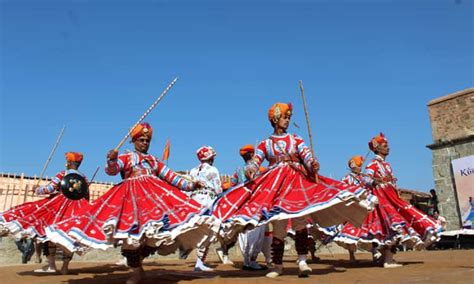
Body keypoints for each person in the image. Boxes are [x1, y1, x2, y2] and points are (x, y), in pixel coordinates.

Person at [211, 103, 373, 278]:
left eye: (289, 117)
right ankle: (277, 265)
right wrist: (251, 168)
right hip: (277, 184)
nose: (287, 121)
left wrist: (312, 164)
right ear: (274, 119)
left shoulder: (296, 139)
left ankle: (302, 261)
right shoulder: (266, 144)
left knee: (300, 221)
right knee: (279, 223)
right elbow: (255, 161)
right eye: (284, 117)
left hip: (297, 182)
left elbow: (306, 155)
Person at [46, 123, 218, 284]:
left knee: (153, 237)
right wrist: (112, 160)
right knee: (132, 237)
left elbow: (171, 177)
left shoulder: (153, 160)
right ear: (134, 140)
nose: (144, 143)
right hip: (130, 200)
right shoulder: (127, 156)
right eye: (141, 140)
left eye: (147, 141)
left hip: (153, 199)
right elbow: (112, 170)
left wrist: (191, 185)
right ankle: (136, 272)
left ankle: (138, 267)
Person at [335, 133, 441, 268]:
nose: (388, 148)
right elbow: (367, 179)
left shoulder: (386, 165)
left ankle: (386, 258)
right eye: (385, 146)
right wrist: (374, 181)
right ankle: (386, 259)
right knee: (389, 225)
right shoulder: (373, 164)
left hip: (390, 196)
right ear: (378, 148)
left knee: (390, 227)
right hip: (381, 198)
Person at [0, 152, 90, 274]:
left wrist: (36, 190)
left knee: (48, 234)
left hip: (58, 207)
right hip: (76, 208)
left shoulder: (63, 174)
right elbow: (86, 195)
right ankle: (65, 267)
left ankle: (52, 267)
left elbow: (49, 189)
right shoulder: (84, 178)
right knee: (70, 236)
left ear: (69, 163)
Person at [231, 144, 270, 270]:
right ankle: (252, 261)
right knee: (257, 232)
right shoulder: (261, 170)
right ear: (253, 155)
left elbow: (231, 185)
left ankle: (246, 261)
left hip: (243, 205)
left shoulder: (237, 170)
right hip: (257, 204)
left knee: (245, 232)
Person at [189, 146, 228, 271]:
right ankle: (199, 262)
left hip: (194, 203)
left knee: (200, 232)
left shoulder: (192, 171)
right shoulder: (213, 170)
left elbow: (189, 189)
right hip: (208, 202)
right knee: (209, 231)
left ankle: (199, 261)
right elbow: (218, 190)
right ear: (210, 157)